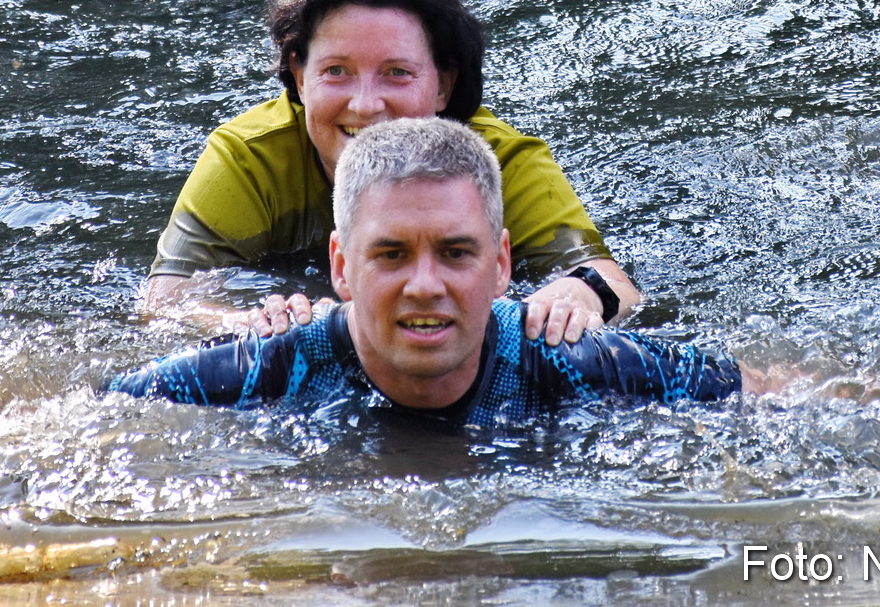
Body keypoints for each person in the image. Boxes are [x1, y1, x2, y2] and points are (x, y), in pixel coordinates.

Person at [142, 0, 642, 347]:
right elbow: (167, 298)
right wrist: (246, 323)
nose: (365, 105)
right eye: (336, 71)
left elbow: (611, 283)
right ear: (298, 75)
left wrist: (574, 298)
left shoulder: (497, 159)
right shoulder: (248, 158)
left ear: (444, 84)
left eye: (397, 74)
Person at [111, 118, 739, 420]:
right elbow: (91, 418)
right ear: (340, 267)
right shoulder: (259, 371)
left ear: (501, 266)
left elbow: (791, 395)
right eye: (390, 254)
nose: (425, 285)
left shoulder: (572, 361)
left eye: (457, 252)